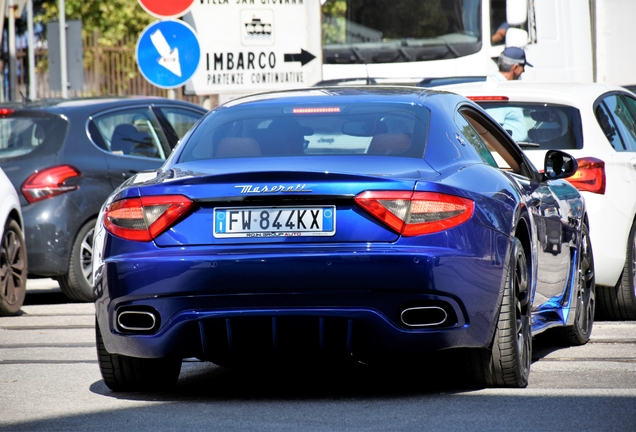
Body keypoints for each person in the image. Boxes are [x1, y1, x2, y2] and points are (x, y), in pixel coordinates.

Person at [485, 46, 532, 141]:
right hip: (509, 152)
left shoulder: (500, 86)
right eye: (523, 66)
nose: (523, 71)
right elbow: (492, 132)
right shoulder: (498, 90)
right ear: (515, 68)